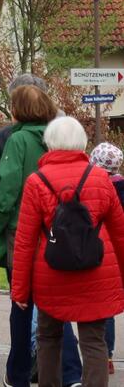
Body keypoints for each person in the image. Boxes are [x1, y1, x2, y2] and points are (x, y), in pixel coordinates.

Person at [12, 117, 124, 387]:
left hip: (51, 273)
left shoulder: (36, 181)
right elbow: (120, 232)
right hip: (96, 271)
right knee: (94, 341)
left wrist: (19, 289)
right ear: (81, 143)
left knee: (49, 337)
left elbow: (25, 240)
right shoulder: (100, 178)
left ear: (50, 143)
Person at [0, 78, 65, 387]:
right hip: (57, 231)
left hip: (22, 233)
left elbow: (6, 191)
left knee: (21, 304)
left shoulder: (16, 141)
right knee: (55, 308)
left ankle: (17, 374)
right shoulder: (55, 138)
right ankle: (63, 374)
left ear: (19, 110)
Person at [90, 142, 124, 371]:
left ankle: (103, 354)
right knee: (112, 305)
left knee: (101, 307)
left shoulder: (96, 186)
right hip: (119, 250)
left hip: (102, 250)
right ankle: (107, 355)